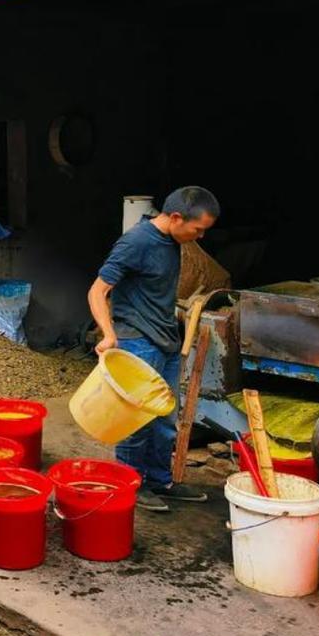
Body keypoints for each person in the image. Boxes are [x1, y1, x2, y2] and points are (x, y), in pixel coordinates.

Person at [88, 186, 221, 512]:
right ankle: (130, 484)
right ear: (176, 218)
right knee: (137, 421)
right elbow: (98, 290)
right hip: (137, 341)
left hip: (166, 342)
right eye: (198, 229)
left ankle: (160, 481)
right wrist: (108, 334)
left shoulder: (173, 240)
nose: (200, 236)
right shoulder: (137, 242)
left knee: (164, 420)